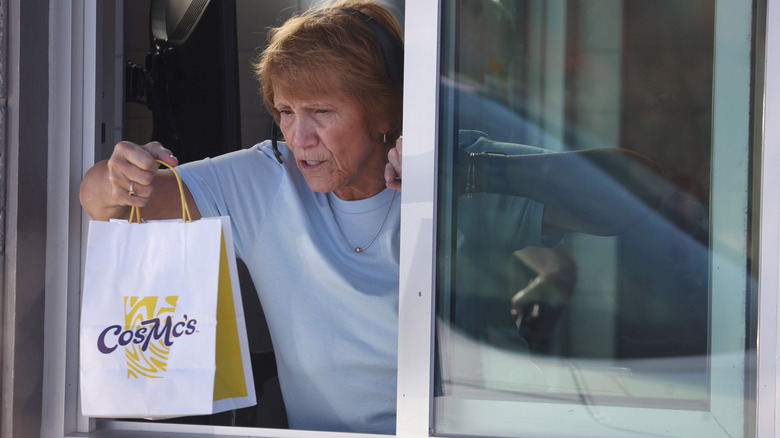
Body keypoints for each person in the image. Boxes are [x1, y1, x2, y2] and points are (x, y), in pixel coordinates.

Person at [80, 0, 664, 434]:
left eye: (321, 111)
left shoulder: (453, 167)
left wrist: (468, 175)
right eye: (285, 110)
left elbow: (641, 190)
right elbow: (95, 201)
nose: (297, 137)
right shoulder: (264, 176)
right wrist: (120, 177)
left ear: (386, 113)